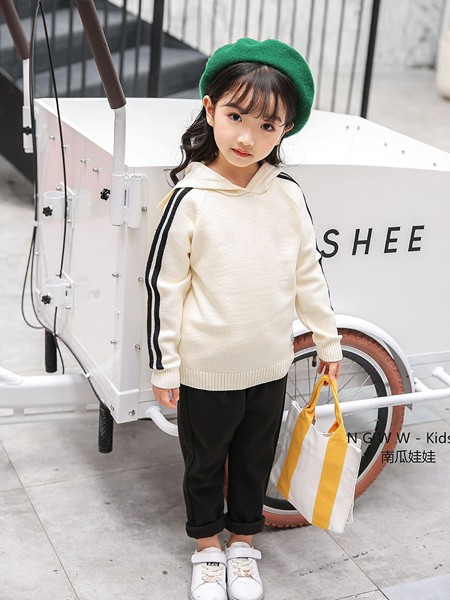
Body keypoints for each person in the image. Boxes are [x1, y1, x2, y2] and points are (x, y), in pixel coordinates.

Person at [146, 37, 343, 600]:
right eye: (235, 117)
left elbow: (308, 272)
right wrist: (165, 365)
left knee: (255, 460)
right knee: (205, 463)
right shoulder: (190, 199)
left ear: (285, 131)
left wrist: (327, 339)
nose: (246, 138)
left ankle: (242, 545)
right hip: (206, 368)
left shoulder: (286, 196)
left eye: (266, 126)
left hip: (270, 363)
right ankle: (207, 549)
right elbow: (164, 288)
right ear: (210, 109)